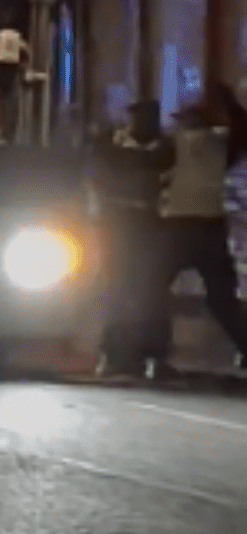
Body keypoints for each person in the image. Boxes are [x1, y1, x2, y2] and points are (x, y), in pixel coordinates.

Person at [151, 85, 247, 376]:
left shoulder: (175, 146)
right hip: (204, 227)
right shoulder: (219, 147)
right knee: (221, 298)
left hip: (181, 227)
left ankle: (156, 357)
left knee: (154, 290)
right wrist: (228, 100)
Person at [93, 99, 171, 377]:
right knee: (117, 289)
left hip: (149, 222)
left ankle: (150, 355)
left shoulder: (159, 149)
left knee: (150, 293)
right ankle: (114, 353)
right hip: (119, 222)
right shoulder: (155, 150)